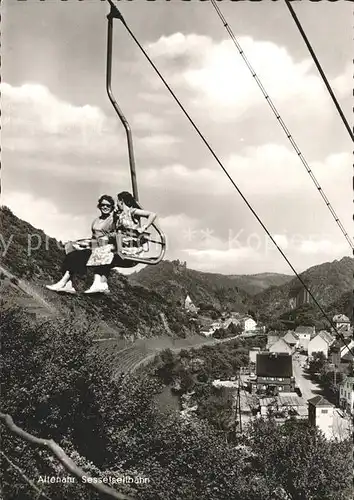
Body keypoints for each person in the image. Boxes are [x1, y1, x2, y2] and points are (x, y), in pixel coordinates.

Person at [46, 195, 115, 295]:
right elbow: (93, 236)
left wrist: (93, 243)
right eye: (103, 205)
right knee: (69, 247)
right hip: (92, 244)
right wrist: (85, 243)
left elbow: (113, 235)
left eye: (108, 205)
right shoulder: (96, 220)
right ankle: (68, 284)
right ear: (99, 206)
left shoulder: (112, 220)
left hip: (102, 246)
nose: (105, 207)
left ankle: (63, 282)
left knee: (77, 255)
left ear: (112, 207)